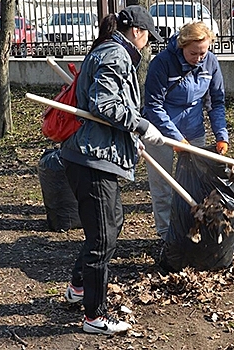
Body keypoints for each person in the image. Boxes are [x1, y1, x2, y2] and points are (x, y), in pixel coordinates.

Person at [59, 5, 165, 335]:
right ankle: (95, 315)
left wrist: (132, 140)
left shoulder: (113, 53)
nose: (148, 45)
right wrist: (141, 124)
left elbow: (106, 110)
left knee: (110, 224)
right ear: (138, 32)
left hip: (97, 153)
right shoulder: (115, 55)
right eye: (148, 37)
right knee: (103, 237)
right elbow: (104, 105)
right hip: (91, 158)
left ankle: (79, 286)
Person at [142, 21, 229, 241]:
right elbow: (153, 106)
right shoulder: (162, 64)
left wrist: (221, 135)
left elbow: (216, 101)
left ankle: (194, 228)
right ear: (182, 45)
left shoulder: (210, 63)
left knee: (196, 183)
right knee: (162, 184)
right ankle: (165, 233)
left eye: (204, 52)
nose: (199, 58)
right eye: (194, 53)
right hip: (160, 132)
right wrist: (176, 139)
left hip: (193, 130)